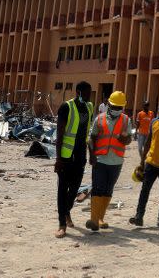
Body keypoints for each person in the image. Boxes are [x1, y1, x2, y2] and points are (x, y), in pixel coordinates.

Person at [86, 90, 132, 231]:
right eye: (115, 107)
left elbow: (128, 139)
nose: (117, 110)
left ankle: (100, 218)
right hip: (100, 160)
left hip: (116, 161)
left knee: (108, 190)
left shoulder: (126, 120)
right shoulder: (99, 118)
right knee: (97, 188)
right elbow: (92, 138)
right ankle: (93, 219)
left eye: (120, 107)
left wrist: (123, 137)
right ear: (109, 104)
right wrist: (92, 155)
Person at [54, 81, 94, 238]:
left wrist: (91, 153)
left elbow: (87, 133)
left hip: (80, 155)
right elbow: (60, 134)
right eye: (86, 93)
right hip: (65, 155)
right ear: (78, 92)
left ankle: (66, 212)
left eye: (90, 93)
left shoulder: (89, 107)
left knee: (75, 188)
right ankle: (62, 224)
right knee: (62, 190)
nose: (88, 96)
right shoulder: (66, 107)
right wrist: (58, 159)